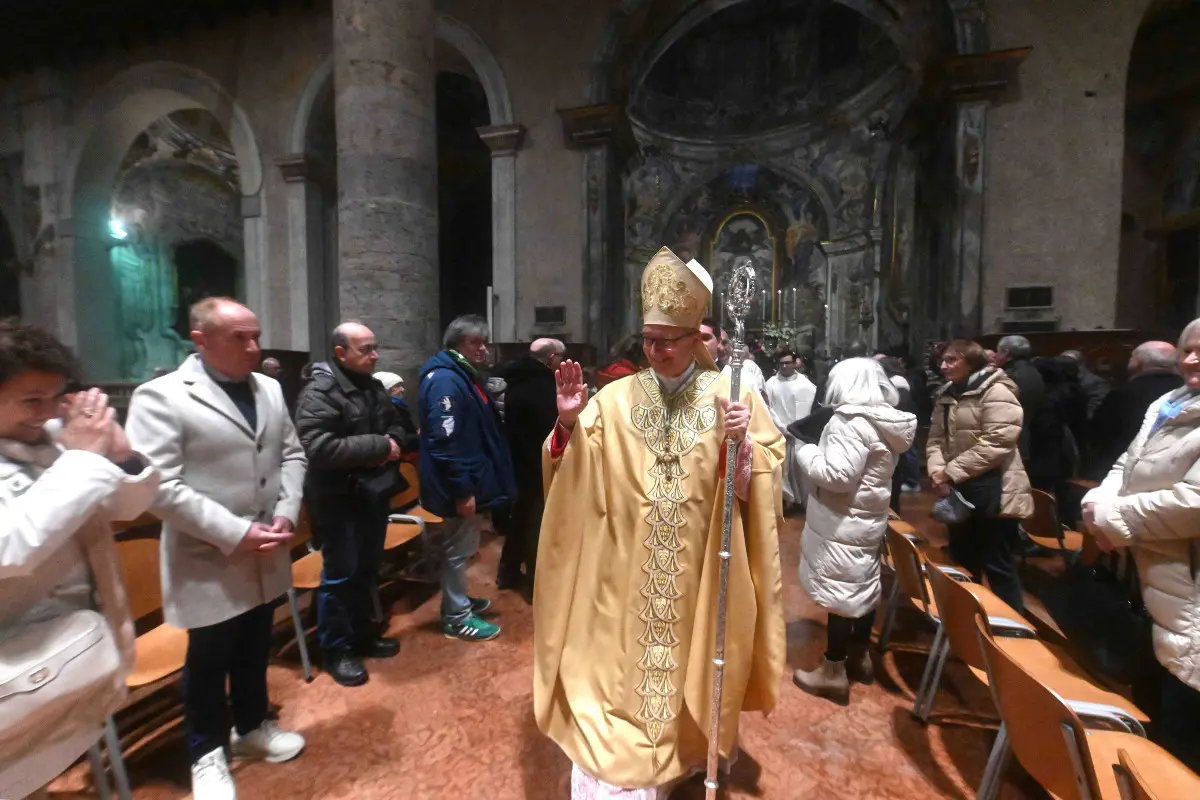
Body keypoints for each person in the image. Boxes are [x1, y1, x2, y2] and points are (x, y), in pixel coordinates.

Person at [535, 246, 786, 798]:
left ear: (697, 337)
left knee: (694, 669)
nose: (655, 351)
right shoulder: (616, 399)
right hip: (622, 571)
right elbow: (572, 474)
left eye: (667, 341)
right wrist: (569, 424)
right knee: (619, 676)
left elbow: (764, 481)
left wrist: (744, 452)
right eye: (648, 340)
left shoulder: (732, 395)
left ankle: (691, 749)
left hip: (697, 572)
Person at [125, 298, 308, 800]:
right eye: (239, 338)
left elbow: (292, 454)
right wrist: (234, 531)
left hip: (267, 543)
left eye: (256, 336)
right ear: (200, 340)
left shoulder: (268, 387)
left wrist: (286, 512)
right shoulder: (160, 397)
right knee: (208, 660)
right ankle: (205, 755)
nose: (254, 347)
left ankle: (251, 729)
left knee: (254, 644)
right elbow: (160, 487)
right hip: (209, 555)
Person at [0, 321, 159, 800]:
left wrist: (123, 456)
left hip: (77, 650)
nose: (48, 413)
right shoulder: (69, 453)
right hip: (19, 665)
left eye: (56, 397)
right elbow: (12, 549)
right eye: (32, 399)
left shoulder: (55, 441)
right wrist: (85, 461)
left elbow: (127, 508)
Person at [1081, 319, 1200, 771]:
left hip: (1190, 584)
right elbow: (1124, 467)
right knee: (1157, 702)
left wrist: (1114, 518)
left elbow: (1195, 502)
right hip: (1155, 573)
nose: (1190, 359)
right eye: (1186, 350)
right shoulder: (1167, 403)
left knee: (1186, 724)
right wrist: (1098, 504)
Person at [791, 358, 916, 704]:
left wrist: (806, 450)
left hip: (842, 519)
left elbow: (837, 477)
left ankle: (833, 672)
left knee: (840, 593)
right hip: (867, 517)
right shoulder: (886, 418)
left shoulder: (849, 422)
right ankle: (860, 655)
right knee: (861, 585)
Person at [293, 323, 411, 687]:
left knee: (366, 569)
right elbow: (317, 446)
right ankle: (336, 650)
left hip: (371, 493)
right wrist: (380, 447)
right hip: (337, 499)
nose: (375, 356)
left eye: (375, 348)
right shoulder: (318, 393)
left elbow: (397, 424)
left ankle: (363, 635)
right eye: (366, 350)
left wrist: (392, 441)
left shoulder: (373, 387)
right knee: (341, 576)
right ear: (340, 352)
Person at [417, 314, 515, 642]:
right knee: (458, 550)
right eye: (476, 342)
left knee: (464, 546)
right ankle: (457, 617)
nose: (483, 349)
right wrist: (462, 490)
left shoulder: (463, 376)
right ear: (457, 343)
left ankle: (457, 600)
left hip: (470, 478)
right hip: (459, 484)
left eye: (483, 342)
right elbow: (446, 442)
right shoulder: (445, 380)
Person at [926, 339, 1033, 612]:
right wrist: (938, 471)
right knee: (962, 561)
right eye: (943, 360)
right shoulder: (948, 393)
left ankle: (1011, 632)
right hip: (960, 488)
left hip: (994, 487)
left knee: (998, 565)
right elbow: (936, 438)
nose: (943, 366)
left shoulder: (997, 390)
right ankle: (967, 627)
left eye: (951, 360)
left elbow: (999, 439)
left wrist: (950, 472)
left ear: (971, 361)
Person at [495, 338, 563, 594]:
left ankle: (509, 570)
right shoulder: (543, 385)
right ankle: (537, 580)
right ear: (552, 358)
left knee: (521, 517)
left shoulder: (517, 379)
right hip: (539, 463)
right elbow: (551, 429)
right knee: (537, 521)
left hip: (518, 460)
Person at [1085, 341, 1182, 480]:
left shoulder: (1122, 394)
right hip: (1175, 471)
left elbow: (1098, 433)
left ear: (1137, 363)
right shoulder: (1189, 392)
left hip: (1123, 471)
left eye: (1132, 357)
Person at [764, 349, 817, 508]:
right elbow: (767, 407)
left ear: (795, 363)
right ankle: (784, 501)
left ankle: (801, 500)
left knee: (798, 469)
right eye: (781, 363)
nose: (785, 366)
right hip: (778, 431)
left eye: (788, 363)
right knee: (782, 470)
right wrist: (782, 427)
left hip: (798, 434)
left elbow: (809, 409)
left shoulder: (806, 385)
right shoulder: (771, 383)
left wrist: (797, 429)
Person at [373, 371, 419, 460]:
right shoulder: (389, 409)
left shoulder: (396, 406)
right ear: (386, 389)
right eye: (397, 386)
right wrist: (419, 437)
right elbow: (398, 438)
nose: (403, 389)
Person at [1061, 349, 1112, 420]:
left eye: (1069, 362)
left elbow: (1095, 410)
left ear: (1080, 364)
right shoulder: (1060, 380)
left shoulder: (1096, 383)